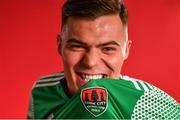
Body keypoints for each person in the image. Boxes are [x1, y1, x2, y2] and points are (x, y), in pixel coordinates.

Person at [27, 0, 180, 119]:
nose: (91, 62)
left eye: (107, 49)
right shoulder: (41, 91)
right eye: (78, 46)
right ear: (60, 45)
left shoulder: (144, 98)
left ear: (126, 50)